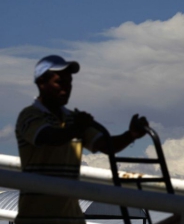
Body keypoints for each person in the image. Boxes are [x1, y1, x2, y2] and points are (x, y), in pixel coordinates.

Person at [15, 55, 149, 224]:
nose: (66, 88)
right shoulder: (29, 116)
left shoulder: (73, 119)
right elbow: (49, 137)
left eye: (69, 83)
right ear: (41, 83)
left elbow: (107, 146)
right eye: (59, 82)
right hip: (37, 219)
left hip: (72, 219)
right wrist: (78, 128)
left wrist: (131, 135)